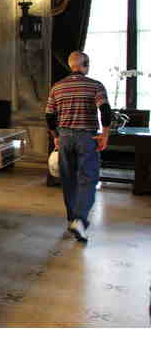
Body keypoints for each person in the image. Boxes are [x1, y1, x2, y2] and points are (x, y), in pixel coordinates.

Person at [46, 51, 111, 243]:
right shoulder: (95, 85)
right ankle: (80, 220)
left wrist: (56, 137)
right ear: (86, 65)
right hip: (86, 137)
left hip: (65, 138)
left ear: (70, 65)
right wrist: (105, 135)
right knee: (88, 179)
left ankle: (71, 219)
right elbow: (106, 111)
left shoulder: (57, 87)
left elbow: (49, 116)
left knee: (69, 180)